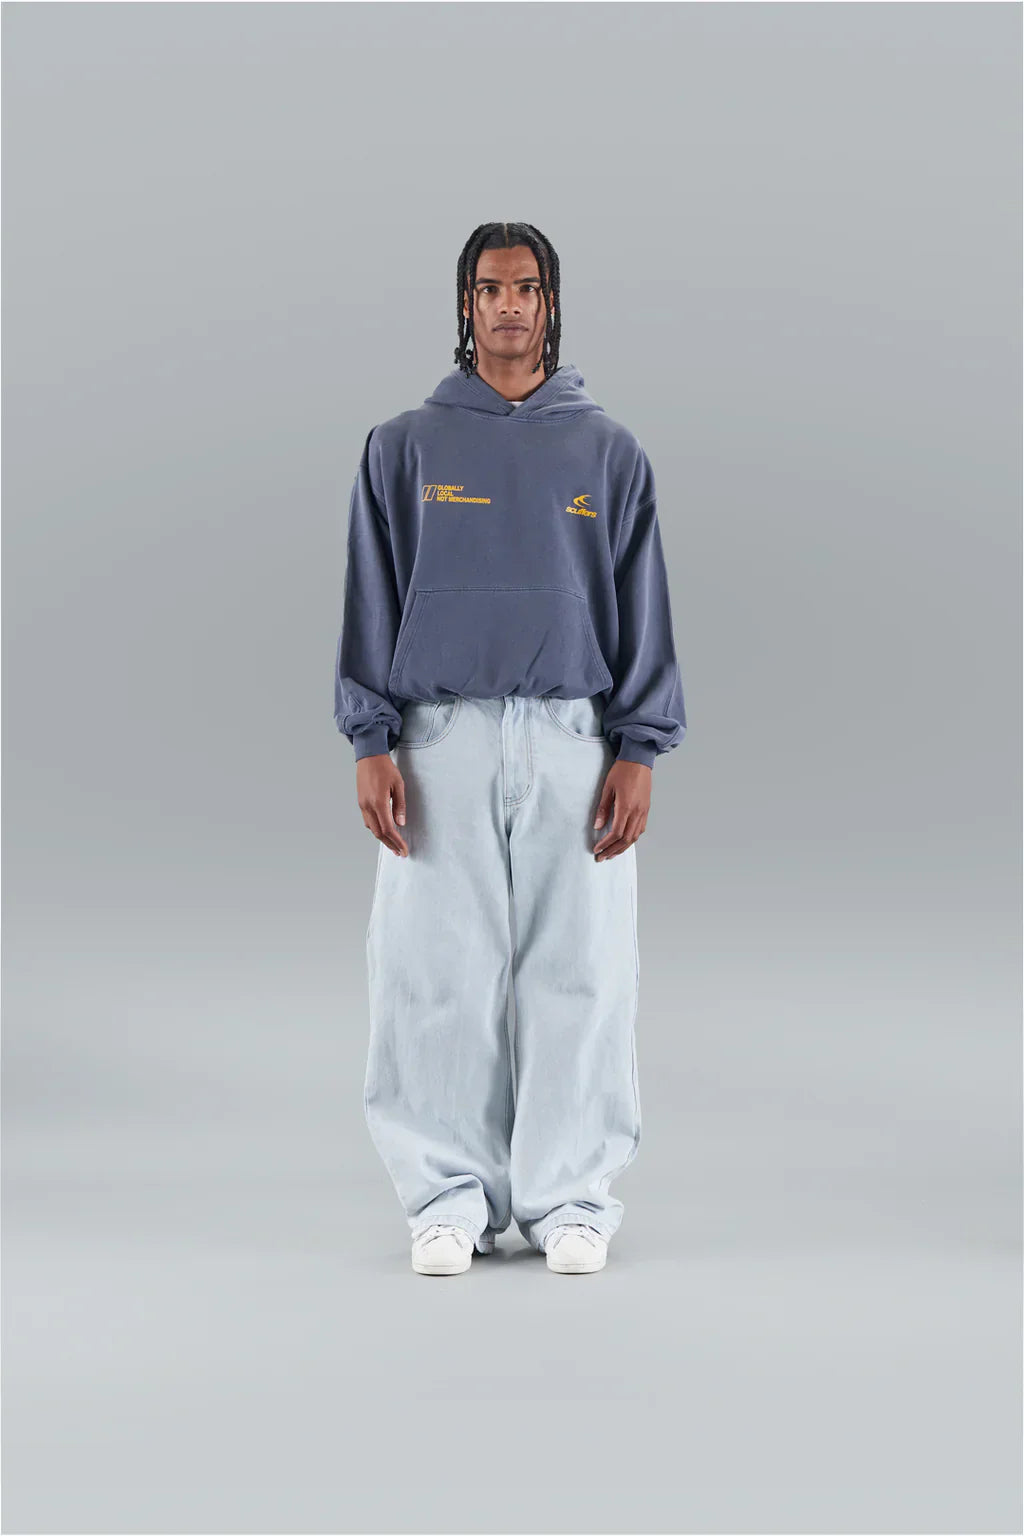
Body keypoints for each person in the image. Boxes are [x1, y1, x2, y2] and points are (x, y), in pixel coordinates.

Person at [334, 222, 687, 1277]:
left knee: (582, 970)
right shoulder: (404, 447)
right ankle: (446, 1197)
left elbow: (642, 605)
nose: (508, 306)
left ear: (551, 303)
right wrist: (370, 737)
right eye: (489, 289)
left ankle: (571, 1198)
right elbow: (370, 595)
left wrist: (638, 748)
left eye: (526, 288)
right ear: (465, 305)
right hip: (440, 736)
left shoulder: (607, 451)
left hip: (574, 735)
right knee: (432, 972)